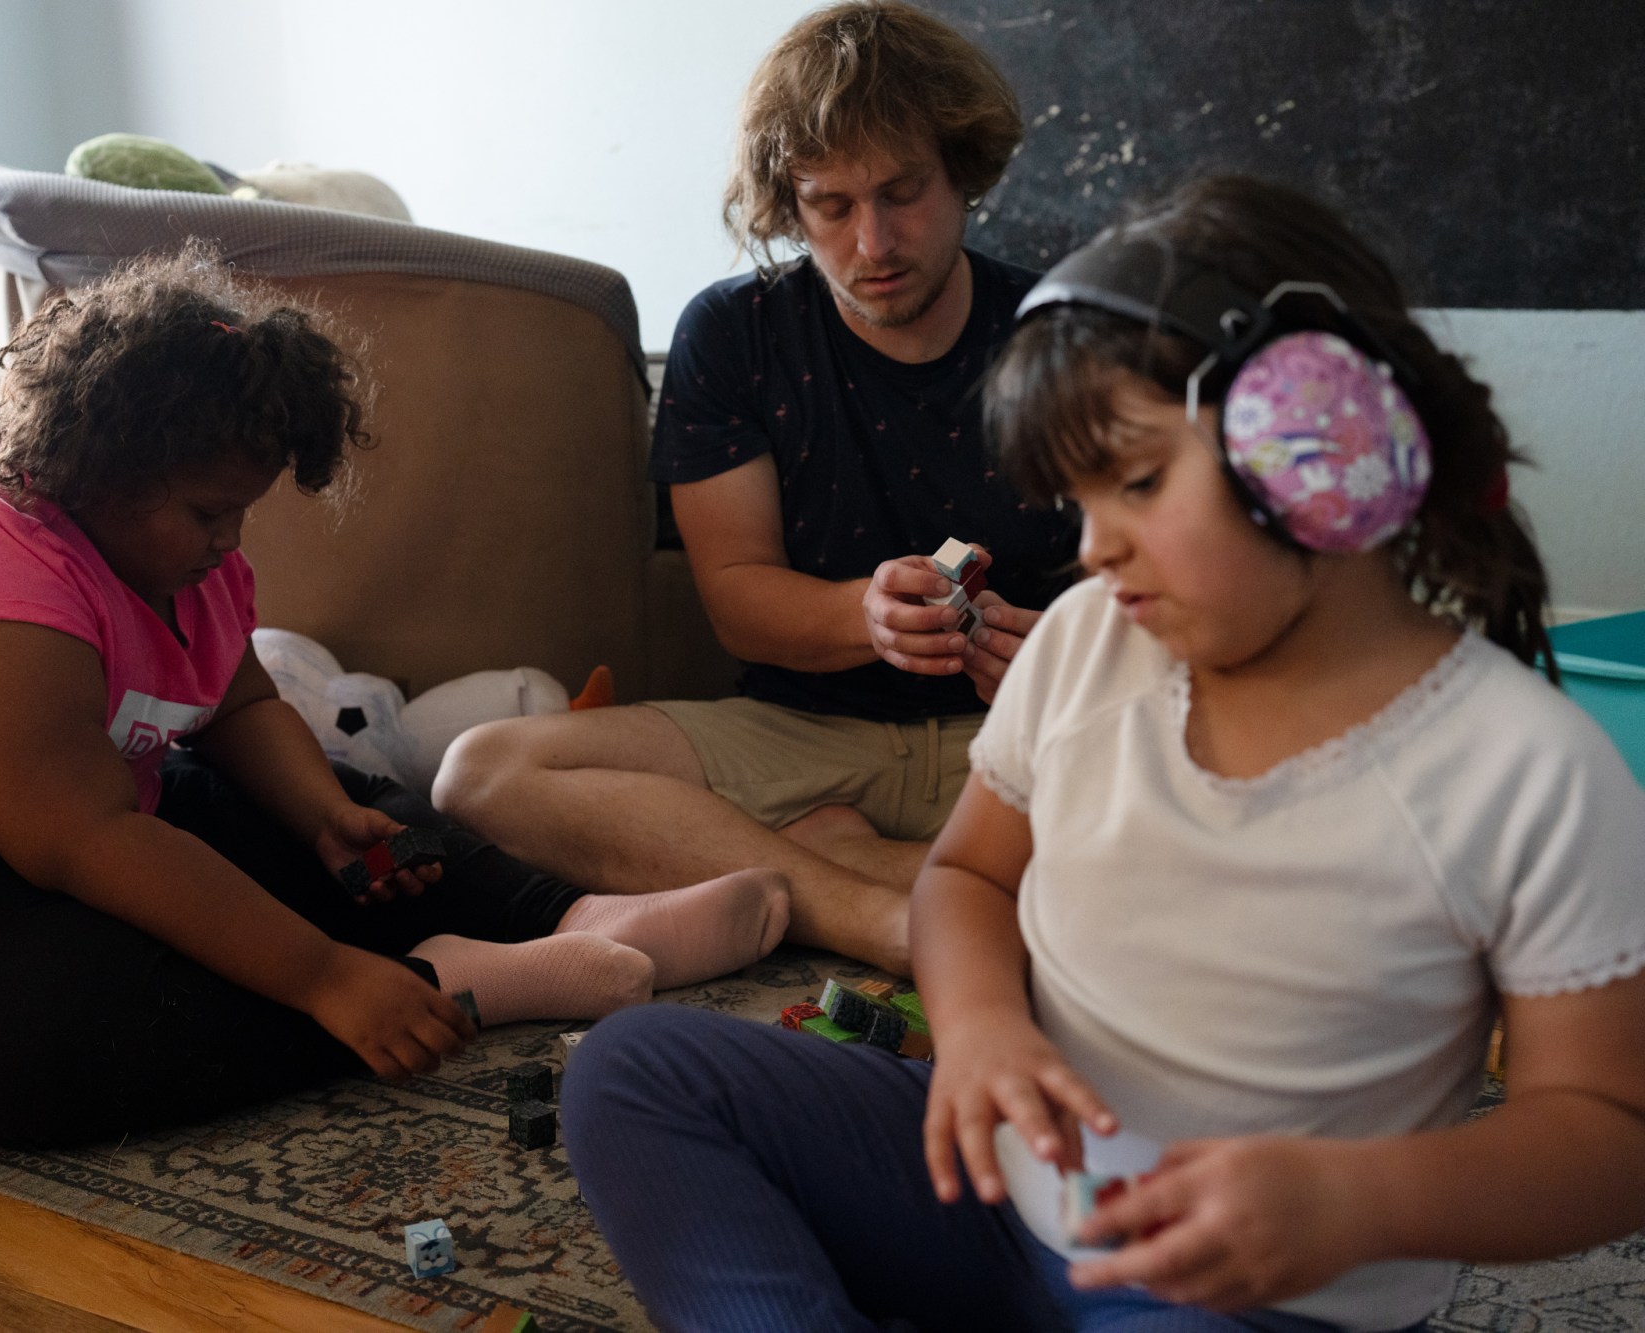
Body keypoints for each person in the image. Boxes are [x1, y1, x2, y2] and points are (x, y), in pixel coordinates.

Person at [558, 175, 1645, 1331]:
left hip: (1233, 1294)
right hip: (995, 1201)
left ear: (1320, 448)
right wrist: (977, 1029)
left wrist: (1349, 1199)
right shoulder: (1087, 640)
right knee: (634, 1073)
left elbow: (1604, 1134)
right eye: (1075, 499)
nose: (1094, 546)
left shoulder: (1526, 771)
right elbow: (968, 878)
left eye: (1133, 481)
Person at [0, 246, 787, 1195]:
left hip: (93, 790)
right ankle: (458, 981)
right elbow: (73, 837)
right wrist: (320, 975)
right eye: (208, 512)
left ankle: (577, 912)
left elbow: (234, 696)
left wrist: (319, 812)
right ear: (95, 468)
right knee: (42, 1036)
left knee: (357, 813)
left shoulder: (178, 556)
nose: (231, 541)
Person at [435, 1, 1078, 977]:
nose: (873, 242)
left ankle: (837, 861)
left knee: (1251, 823)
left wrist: (1067, 649)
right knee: (479, 772)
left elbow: (1162, 600)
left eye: (903, 192)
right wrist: (864, 616)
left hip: (1016, 740)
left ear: (962, 174)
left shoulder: (1066, 334)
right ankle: (874, 912)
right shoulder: (734, 333)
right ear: (787, 202)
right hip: (799, 734)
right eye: (829, 204)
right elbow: (738, 598)